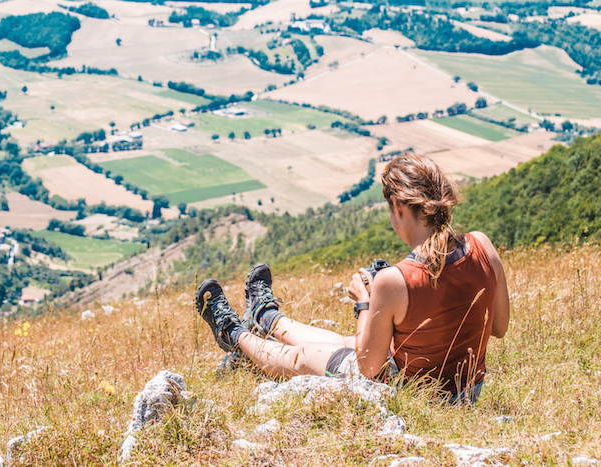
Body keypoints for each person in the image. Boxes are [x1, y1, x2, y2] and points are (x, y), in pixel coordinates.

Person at [195, 153, 510, 403]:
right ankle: (268, 317)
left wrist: (364, 303)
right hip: (468, 390)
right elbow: (498, 327)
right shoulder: (482, 244)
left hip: (417, 396)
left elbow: (367, 367)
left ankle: (233, 334)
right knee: (338, 343)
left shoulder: (395, 280)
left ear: (398, 206)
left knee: (304, 357)